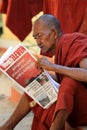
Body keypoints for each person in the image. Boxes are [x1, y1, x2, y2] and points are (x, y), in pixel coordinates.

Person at [0, 14, 87, 130]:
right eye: (35, 38)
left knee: (68, 82)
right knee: (38, 81)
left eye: (40, 36)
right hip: (72, 106)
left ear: (54, 33)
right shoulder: (60, 51)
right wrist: (44, 74)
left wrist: (53, 67)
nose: (38, 42)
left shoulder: (74, 41)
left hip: (83, 107)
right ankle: (8, 126)